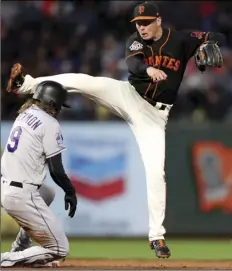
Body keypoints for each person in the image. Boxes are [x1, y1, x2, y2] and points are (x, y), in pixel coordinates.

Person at [6, 1, 225, 258]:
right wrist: (148, 68)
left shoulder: (182, 40)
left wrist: (207, 45)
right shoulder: (136, 41)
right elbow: (133, 66)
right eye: (138, 23)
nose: (141, 27)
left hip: (154, 116)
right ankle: (27, 84)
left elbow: (216, 36)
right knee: (84, 81)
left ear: (158, 20)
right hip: (128, 94)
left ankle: (157, 236)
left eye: (146, 22)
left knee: (156, 173)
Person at [1, 81, 78, 267]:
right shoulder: (49, 123)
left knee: (47, 193)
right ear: (51, 103)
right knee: (60, 249)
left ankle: (20, 247)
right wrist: (70, 191)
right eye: (58, 105)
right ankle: (5, 258)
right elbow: (56, 169)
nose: (59, 109)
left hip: (6, 187)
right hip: (21, 195)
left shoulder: (24, 115)